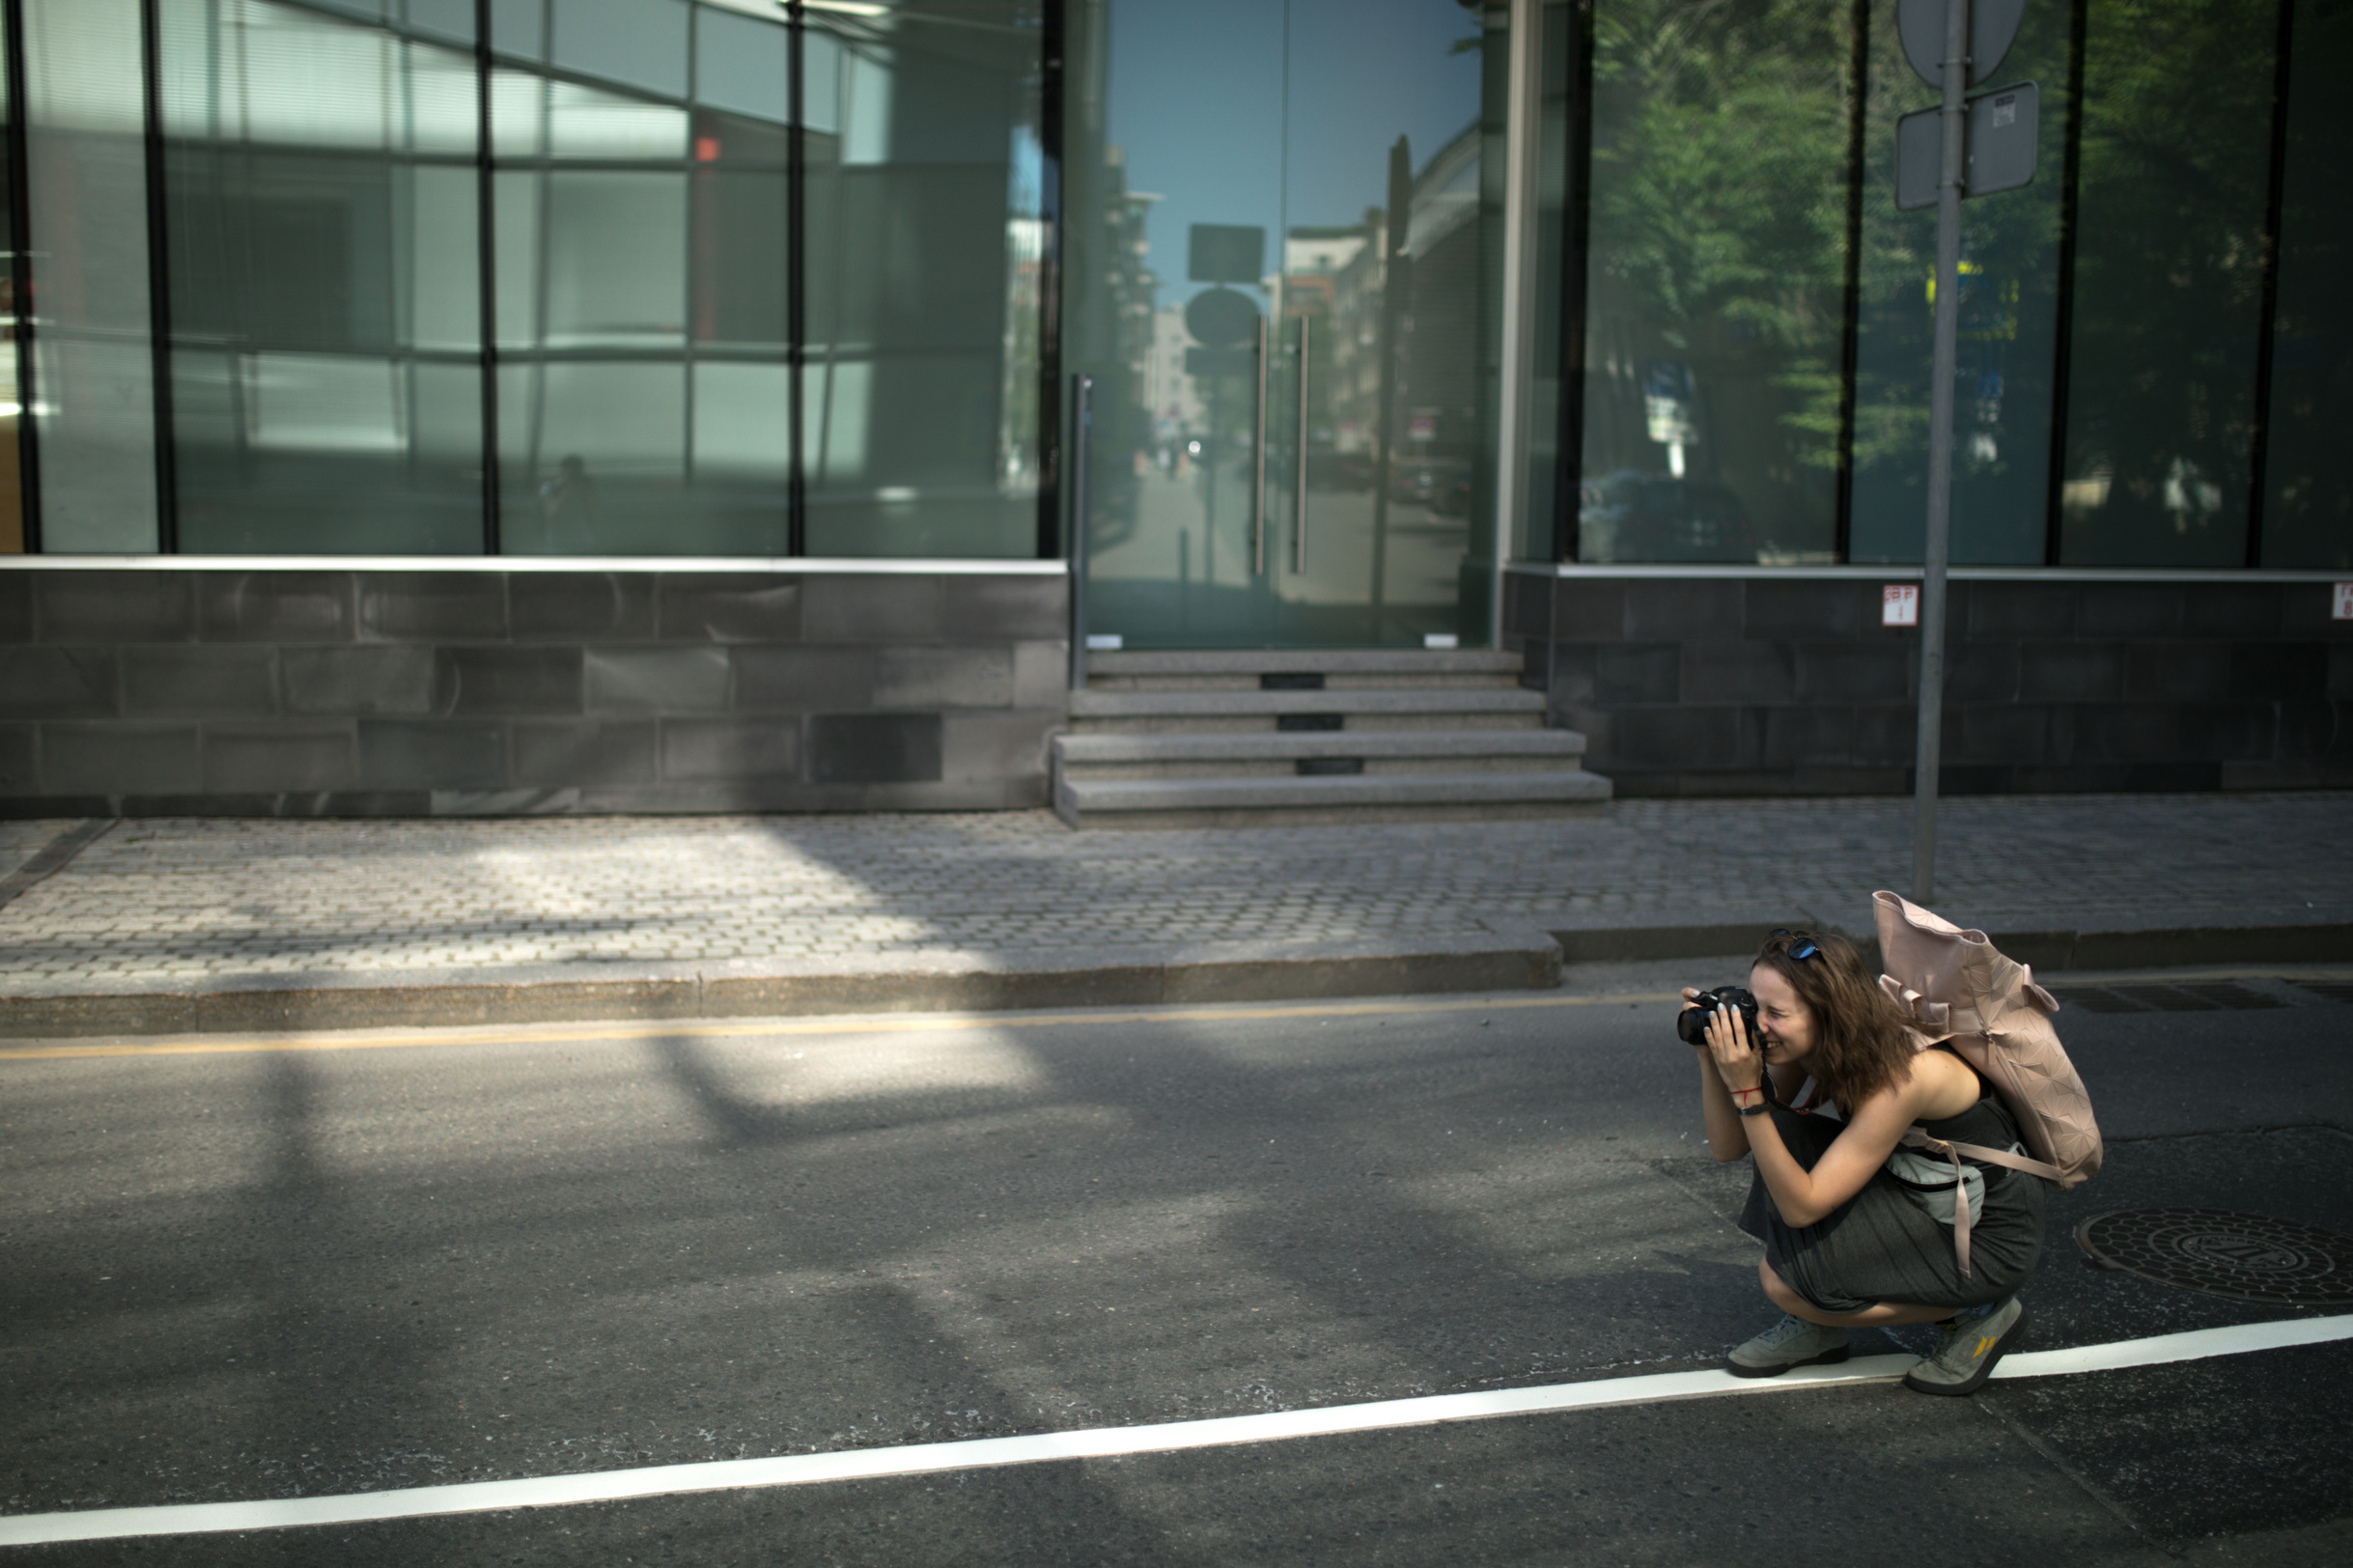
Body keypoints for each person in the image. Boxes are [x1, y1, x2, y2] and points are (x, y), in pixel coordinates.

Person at [1685, 928, 2046, 1395]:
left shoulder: (1910, 1073)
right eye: (1756, 1007)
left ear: (1829, 1012)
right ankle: (1824, 1324)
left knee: (1784, 1284)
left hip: (1984, 1240)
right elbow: (1729, 1147)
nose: (1760, 1026)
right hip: (1918, 1194)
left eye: (1777, 1013)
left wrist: (1748, 1091)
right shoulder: (1813, 1042)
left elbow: (1801, 1208)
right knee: (1783, 1132)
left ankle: (1980, 1311)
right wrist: (1707, 1057)